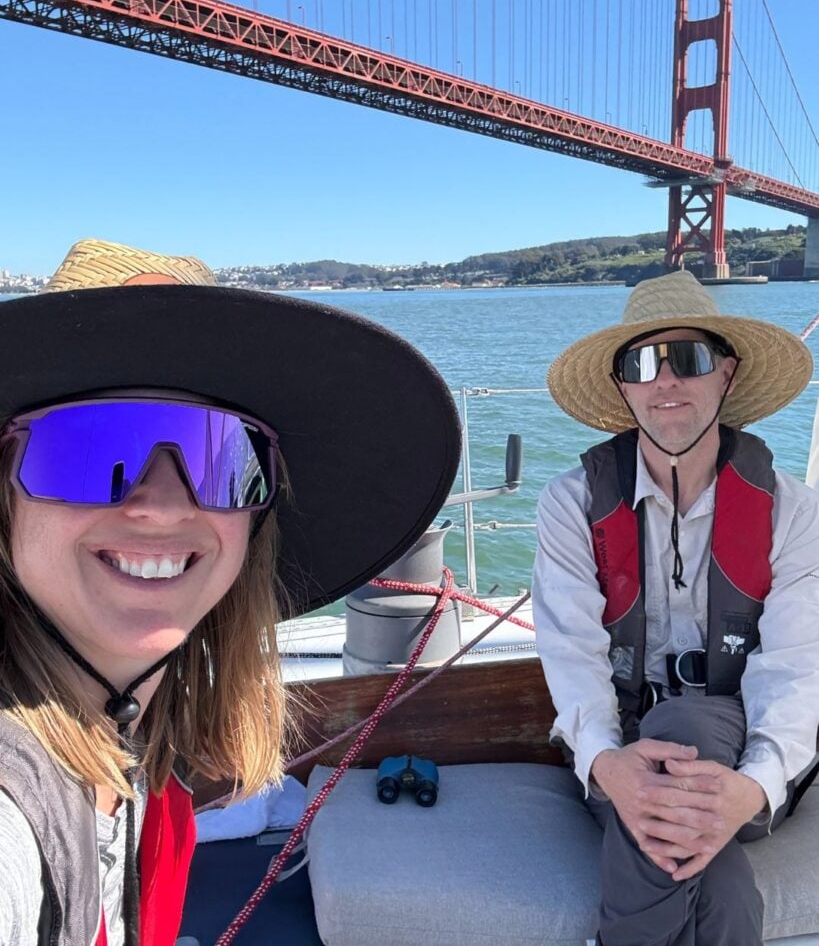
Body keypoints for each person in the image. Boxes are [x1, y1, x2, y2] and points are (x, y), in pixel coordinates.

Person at [0, 239, 461, 946]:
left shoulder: (134, 735)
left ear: (256, 518)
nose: (162, 506)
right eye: (90, 450)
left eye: (221, 458)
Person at [532, 269, 819, 946]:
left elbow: (795, 667)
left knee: (683, 724)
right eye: (641, 364)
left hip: (745, 747)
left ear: (725, 373)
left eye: (686, 359)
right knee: (721, 890)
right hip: (624, 746)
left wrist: (753, 787)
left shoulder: (792, 511)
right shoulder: (571, 504)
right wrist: (608, 765)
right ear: (622, 387)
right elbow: (571, 654)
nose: (664, 381)